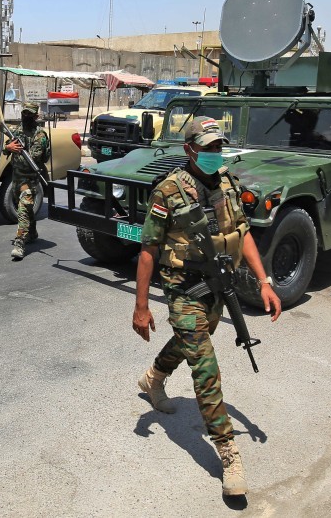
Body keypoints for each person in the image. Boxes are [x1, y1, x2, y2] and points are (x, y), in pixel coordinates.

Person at [132, 116, 282, 496]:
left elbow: (242, 232)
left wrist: (264, 282)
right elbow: (148, 250)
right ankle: (229, 453)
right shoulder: (168, 191)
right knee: (205, 364)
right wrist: (141, 306)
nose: (216, 154)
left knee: (189, 341)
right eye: (208, 148)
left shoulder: (228, 182)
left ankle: (153, 377)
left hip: (217, 284)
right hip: (183, 286)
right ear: (190, 150)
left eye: (219, 147)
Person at [5, 102, 50, 261]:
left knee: (23, 209)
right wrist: (8, 147)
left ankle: (20, 244)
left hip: (30, 180)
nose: (26, 117)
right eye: (24, 114)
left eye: (30, 114)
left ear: (36, 116)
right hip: (16, 178)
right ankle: (32, 233)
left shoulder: (40, 136)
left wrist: (27, 153)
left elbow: (42, 157)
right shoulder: (16, 131)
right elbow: (5, 148)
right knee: (25, 208)